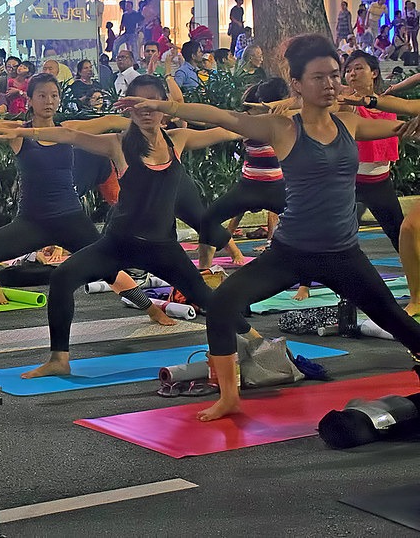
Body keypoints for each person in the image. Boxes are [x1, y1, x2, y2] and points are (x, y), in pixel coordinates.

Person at [126, 35, 420, 420]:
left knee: (398, 321)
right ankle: (229, 396)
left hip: (343, 254)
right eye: (319, 77)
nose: (330, 84)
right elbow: (221, 116)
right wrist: (160, 105)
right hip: (289, 253)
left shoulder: (352, 123)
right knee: (223, 304)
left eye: (334, 76)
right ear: (297, 84)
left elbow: (404, 123)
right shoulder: (283, 128)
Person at [0, 75, 229, 380]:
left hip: (162, 246)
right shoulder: (117, 143)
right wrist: (26, 131)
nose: (146, 111)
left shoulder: (177, 140)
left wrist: (265, 123)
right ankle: (58, 358)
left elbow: (225, 129)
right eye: (138, 104)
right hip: (118, 242)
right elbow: (70, 136)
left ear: (164, 108)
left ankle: (252, 341)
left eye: (152, 104)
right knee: (63, 277)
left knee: (207, 298)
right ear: (129, 108)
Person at [0, 74, 165, 347]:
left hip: (70, 219)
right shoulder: (19, 132)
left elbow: (112, 122)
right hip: (31, 222)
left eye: (54, 95)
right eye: (42, 95)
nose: (49, 101)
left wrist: (150, 113)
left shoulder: (68, 129)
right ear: (29, 100)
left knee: (109, 266)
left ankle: (152, 310)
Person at [200, 78, 289, 269]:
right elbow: (216, 122)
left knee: (310, 222)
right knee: (208, 219)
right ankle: (204, 270)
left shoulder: (290, 118)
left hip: (279, 187)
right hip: (249, 187)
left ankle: (305, 274)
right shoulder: (248, 121)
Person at [341, 51, 403, 251]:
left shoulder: (387, 101)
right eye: (348, 70)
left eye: (358, 68)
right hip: (350, 184)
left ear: (374, 73)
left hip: (380, 182)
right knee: (331, 237)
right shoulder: (344, 102)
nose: (352, 74)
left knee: (401, 235)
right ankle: (305, 282)